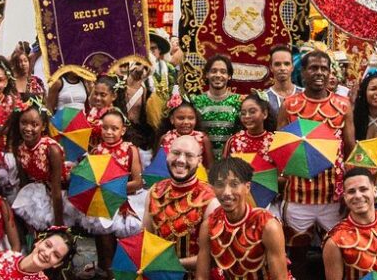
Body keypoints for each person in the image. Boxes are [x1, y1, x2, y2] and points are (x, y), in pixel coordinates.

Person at [277, 50, 354, 247]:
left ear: (330, 72)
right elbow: (281, 150)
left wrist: (348, 188)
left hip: (333, 195)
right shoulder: (289, 105)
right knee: (297, 250)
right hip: (297, 193)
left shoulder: (343, 105)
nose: (319, 73)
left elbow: (350, 150)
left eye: (323, 68)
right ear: (302, 72)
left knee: (337, 250)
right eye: (313, 68)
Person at [69, 109, 144, 278]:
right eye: (105, 128)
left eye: (114, 128)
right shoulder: (96, 151)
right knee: (104, 242)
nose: (109, 132)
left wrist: (114, 189)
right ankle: (107, 271)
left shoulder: (130, 150)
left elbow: (138, 182)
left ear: (123, 130)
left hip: (125, 201)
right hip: (102, 202)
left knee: (124, 245)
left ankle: (123, 271)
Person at [196, 157, 288, 280]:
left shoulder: (268, 226)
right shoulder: (209, 226)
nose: (226, 192)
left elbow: (280, 278)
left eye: (234, 184)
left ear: (247, 187)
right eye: (220, 185)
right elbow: (201, 276)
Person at [143, 134, 217, 274]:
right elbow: (145, 240)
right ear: (168, 155)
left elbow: (214, 257)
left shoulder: (210, 200)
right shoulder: (154, 192)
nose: (181, 160)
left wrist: (170, 264)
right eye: (176, 153)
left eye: (189, 155)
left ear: (199, 160)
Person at [323, 168, 377, 280]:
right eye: (351, 191)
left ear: (375, 191)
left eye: (363, 189)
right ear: (345, 197)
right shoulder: (335, 241)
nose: (358, 196)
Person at [9, 101, 66, 231]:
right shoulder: (20, 148)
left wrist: (59, 226)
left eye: (34, 125)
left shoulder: (51, 149)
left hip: (56, 194)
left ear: (43, 126)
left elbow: (56, 189)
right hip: (34, 192)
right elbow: (24, 183)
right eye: (24, 123)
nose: (28, 128)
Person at [0, 228, 76, 280]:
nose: (47, 253)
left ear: (57, 264)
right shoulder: (2, 256)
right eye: (48, 245)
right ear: (38, 242)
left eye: (56, 255)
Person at [223, 94, 276, 164]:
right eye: (243, 113)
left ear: (265, 114)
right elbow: (224, 169)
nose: (247, 116)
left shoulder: (275, 141)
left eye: (252, 112)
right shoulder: (233, 141)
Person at [264, 45, 302, 116]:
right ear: (271, 68)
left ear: (292, 67)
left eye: (286, 64)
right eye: (277, 64)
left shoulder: (304, 94)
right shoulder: (264, 97)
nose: (282, 68)